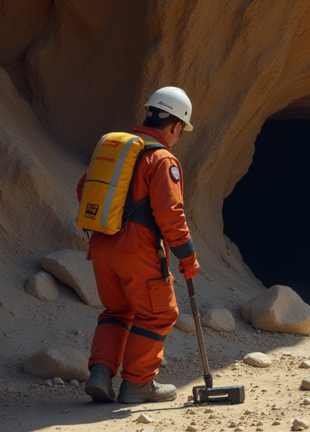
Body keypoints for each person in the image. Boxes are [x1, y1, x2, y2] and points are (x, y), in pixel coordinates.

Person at [76, 87, 200, 403]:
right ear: (175, 126)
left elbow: (84, 189)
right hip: (138, 250)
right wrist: (187, 256)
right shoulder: (161, 158)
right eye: (180, 132)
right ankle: (138, 384)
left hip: (101, 246)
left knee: (118, 310)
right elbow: (171, 214)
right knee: (159, 315)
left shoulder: (116, 148)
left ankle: (101, 374)